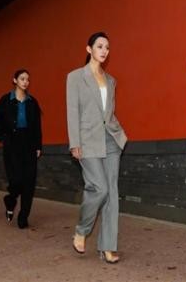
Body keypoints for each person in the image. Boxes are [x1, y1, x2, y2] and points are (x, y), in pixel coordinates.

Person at [67, 32, 128, 264]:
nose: (104, 51)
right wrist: (75, 143)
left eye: (107, 47)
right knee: (99, 188)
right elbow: (72, 111)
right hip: (88, 140)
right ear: (89, 49)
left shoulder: (111, 80)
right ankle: (82, 230)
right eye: (100, 46)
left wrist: (120, 134)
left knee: (111, 193)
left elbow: (108, 112)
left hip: (111, 139)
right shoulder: (75, 77)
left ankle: (108, 247)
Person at [0, 69, 43, 229]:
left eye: (27, 79)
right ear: (15, 80)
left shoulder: (32, 102)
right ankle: (10, 200)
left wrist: (38, 146)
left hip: (29, 144)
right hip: (12, 145)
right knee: (16, 180)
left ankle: (23, 217)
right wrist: (3, 139)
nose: (25, 82)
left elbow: (37, 126)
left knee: (29, 182)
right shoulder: (5, 100)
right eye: (22, 78)